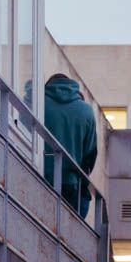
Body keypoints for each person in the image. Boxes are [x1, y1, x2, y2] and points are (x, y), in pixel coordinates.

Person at [42, 73, 98, 220]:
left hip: (39, 176)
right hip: (71, 183)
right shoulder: (86, 111)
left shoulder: (38, 104)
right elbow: (90, 153)